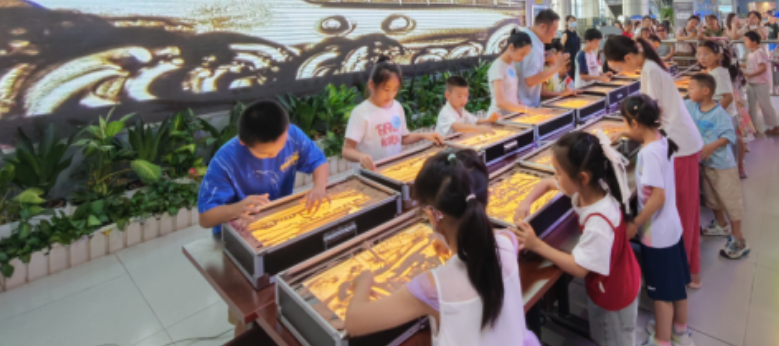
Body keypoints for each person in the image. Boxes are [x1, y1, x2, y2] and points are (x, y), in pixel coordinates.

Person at [344, 149, 539, 345]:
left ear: (433, 216)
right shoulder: (507, 243)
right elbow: (502, 238)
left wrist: (363, 282)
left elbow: (354, 322)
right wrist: (456, 246)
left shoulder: (432, 288)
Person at [513, 132, 639, 346]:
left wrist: (536, 245)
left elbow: (579, 268)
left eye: (558, 171)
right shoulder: (593, 187)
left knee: (611, 338)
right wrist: (527, 202)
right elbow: (547, 184)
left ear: (583, 178)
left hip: (614, 296)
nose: (555, 176)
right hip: (616, 277)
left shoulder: (598, 222)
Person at [604, 36, 705, 287]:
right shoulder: (650, 66)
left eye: (619, 67)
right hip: (679, 143)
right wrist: (625, 130)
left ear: (628, 58)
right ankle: (688, 269)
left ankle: (683, 274)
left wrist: (625, 131)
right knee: (685, 209)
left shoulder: (649, 70)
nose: (621, 72)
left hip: (679, 146)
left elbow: (649, 117)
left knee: (681, 210)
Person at [619, 95, 694, 346]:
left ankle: (662, 340)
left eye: (625, 123)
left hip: (657, 234)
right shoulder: (662, 140)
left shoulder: (648, 154)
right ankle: (680, 331)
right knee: (677, 284)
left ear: (635, 123)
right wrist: (623, 132)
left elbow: (657, 197)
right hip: (672, 227)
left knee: (661, 293)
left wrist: (635, 223)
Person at [198, 99, 329, 234]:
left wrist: (319, 185)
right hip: (240, 231)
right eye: (266, 153)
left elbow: (318, 160)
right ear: (243, 142)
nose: (275, 154)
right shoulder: (224, 162)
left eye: (282, 145)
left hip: (277, 220)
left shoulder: (292, 135)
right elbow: (205, 218)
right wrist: (236, 209)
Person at [685, 74, 750, 259]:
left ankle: (738, 238)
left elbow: (729, 135)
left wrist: (711, 146)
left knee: (730, 199)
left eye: (691, 88)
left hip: (722, 164)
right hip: (706, 163)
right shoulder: (692, 106)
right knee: (711, 196)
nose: (688, 91)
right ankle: (721, 225)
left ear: (705, 91)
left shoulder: (719, 113)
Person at [344, 57, 444, 170]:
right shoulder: (360, 112)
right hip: (370, 172)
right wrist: (361, 157)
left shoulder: (397, 107)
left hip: (393, 168)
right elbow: (347, 150)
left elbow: (403, 138)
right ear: (372, 85)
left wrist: (424, 135)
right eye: (386, 89)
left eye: (395, 89)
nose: (390, 95)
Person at [697, 41, 750, 177]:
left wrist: (713, 114)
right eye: (699, 54)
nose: (701, 58)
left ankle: (734, 170)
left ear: (717, 56)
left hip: (725, 115)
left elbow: (728, 97)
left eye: (706, 54)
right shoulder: (714, 71)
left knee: (729, 143)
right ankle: (736, 168)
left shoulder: (718, 73)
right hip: (726, 114)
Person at [489, 30, 550, 117]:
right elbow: (500, 102)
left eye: (525, 55)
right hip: (499, 117)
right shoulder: (498, 67)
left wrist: (525, 108)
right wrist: (528, 110)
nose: (523, 58)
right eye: (522, 54)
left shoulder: (511, 65)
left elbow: (511, 94)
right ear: (511, 47)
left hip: (511, 116)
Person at [515, 9, 567, 109]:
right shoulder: (532, 44)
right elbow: (530, 80)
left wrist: (543, 59)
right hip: (524, 106)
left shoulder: (532, 38)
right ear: (543, 26)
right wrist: (556, 68)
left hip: (526, 104)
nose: (555, 34)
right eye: (554, 29)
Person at [743, 31, 779, 136]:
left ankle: (775, 127)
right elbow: (751, 65)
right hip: (751, 82)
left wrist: (750, 74)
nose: (745, 42)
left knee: (765, 105)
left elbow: (762, 68)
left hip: (761, 83)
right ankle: (753, 127)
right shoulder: (751, 53)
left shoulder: (760, 52)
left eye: (747, 40)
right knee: (751, 105)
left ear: (754, 42)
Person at [435, 76, 500, 138]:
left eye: (466, 95)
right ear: (448, 95)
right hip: (444, 145)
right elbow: (456, 126)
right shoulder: (445, 112)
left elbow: (475, 120)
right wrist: (477, 128)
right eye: (459, 96)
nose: (463, 100)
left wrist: (489, 119)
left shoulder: (461, 110)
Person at [562, 15, 582, 79]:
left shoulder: (575, 33)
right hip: (569, 59)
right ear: (566, 22)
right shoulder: (565, 34)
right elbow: (561, 47)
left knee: (576, 75)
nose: (573, 22)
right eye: (571, 21)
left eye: (574, 21)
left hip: (576, 57)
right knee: (570, 76)